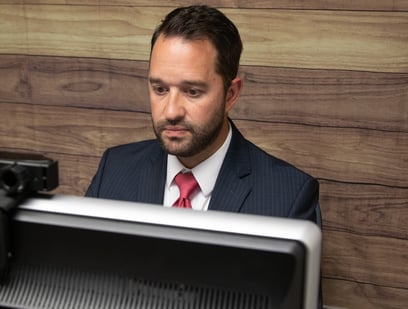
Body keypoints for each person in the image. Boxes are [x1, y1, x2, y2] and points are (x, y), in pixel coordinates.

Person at [86, 5, 322, 307]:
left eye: (192, 92)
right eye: (159, 89)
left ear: (231, 94)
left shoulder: (288, 197)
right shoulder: (114, 170)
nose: (171, 111)